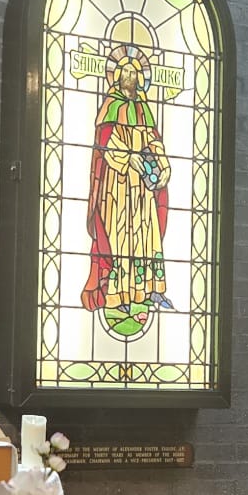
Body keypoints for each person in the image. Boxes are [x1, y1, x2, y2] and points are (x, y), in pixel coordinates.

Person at [83, 43, 175, 315]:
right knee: (120, 236)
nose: (130, 76)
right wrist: (128, 157)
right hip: (118, 184)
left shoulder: (144, 108)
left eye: (135, 73)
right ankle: (117, 293)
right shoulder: (111, 105)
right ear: (116, 76)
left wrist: (164, 164)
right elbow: (105, 141)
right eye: (125, 71)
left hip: (143, 188)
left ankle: (150, 290)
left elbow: (153, 139)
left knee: (148, 236)